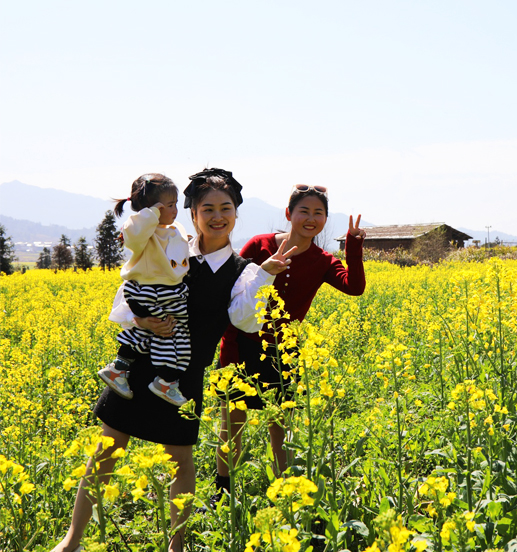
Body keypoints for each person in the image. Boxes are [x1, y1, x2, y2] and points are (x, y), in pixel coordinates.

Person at [51, 169, 294, 552]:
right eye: (207, 208)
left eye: (226, 208)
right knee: (107, 450)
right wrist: (141, 319)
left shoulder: (242, 271)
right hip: (139, 367)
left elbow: (243, 319)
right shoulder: (166, 245)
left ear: (236, 213)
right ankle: (71, 540)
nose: (217, 216)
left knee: (180, 460)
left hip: (183, 376)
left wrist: (264, 275)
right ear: (192, 213)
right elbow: (126, 296)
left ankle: (175, 546)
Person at [214, 184, 366, 495]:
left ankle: (286, 492)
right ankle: (223, 490)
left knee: (280, 426)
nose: (311, 218)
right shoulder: (260, 245)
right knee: (233, 422)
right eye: (304, 211)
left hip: (283, 350)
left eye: (318, 213)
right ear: (289, 214)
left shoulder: (323, 260)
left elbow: (354, 286)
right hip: (240, 342)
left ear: (325, 220)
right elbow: (231, 288)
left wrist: (353, 244)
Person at [98, 173, 193, 406]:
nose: (175, 210)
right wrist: (150, 214)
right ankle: (165, 381)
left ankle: (119, 370)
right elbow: (132, 235)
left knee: (152, 333)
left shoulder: (173, 227)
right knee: (174, 334)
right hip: (149, 292)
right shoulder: (141, 230)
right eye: (169, 205)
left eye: (175, 204)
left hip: (168, 294)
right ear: (151, 211)